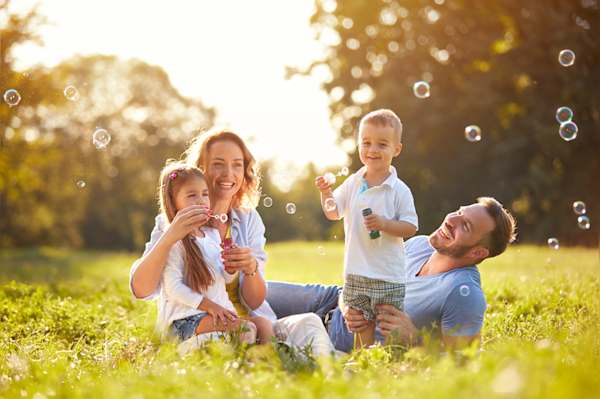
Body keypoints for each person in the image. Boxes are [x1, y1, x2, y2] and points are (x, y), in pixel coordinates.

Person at [130, 128, 335, 355]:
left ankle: (330, 373)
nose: (229, 173)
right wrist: (170, 236)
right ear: (200, 169)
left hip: (250, 319)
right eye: (218, 163)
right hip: (201, 325)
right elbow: (141, 290)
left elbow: (255, 301)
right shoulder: (173, 222)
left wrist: (250, 268)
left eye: (237, 164)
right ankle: (282, 360)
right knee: (255, 337)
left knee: (310, 322)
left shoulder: (247, 219)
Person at [266, 197, 517, 352]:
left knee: (255, 331)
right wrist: (346, 301)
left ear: (478, 252)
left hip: (342, 337)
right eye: (460, 212)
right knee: (248, 291)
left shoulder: (464, 294)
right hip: (331, 299)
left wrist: (414, 340)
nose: (452, 219)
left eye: (466, 225)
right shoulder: (420, 245)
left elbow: (463, 363)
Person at [315, 109, 418, 348]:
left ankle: (394, 360)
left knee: (389, 324)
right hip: (357, 270)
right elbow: (333, 211)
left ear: (396, 149)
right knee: (360, 323)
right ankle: (364, 364)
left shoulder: (399, 190)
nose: (372, 150)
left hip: (388, 274)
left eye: (382, 144)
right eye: (366, 143)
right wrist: (325, 193)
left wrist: (385, 224)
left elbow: (411, 227)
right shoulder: (353, 182)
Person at [155, 162, 273, 344]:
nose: (201, 200)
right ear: (173, 202)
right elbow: (173, 287)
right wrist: (209, 306)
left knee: (263, 325)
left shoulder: (211, 235)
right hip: (185, 319)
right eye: (192, 195)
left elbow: (223, 279)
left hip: (213, 313)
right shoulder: (174, 241)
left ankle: (266, 362)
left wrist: (230, 266)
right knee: (245, 328)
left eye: (205, 194)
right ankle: (245, 365)